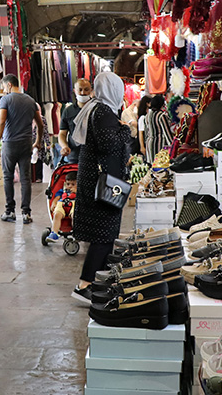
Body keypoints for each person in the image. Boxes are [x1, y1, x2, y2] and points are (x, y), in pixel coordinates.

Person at [69, 71, 131, 305]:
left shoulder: (96, 108)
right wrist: (127, 129)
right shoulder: (104, 112)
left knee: (105, 234)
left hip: (96, 180)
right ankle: (84, 284)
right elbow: (107, 144)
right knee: (103, 235)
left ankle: (99, 282)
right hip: (102, 182)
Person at [0, 75, 44, 224]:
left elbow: (1, 122)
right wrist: (37, 142)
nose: (4, 90)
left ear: (9, 85)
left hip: (10, 144)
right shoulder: (30, 101)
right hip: (26, 143)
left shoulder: (6, 100)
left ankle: (9, 211)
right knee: (25, 178)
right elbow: (40, 125)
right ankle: (26, 213)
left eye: (4, 87)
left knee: (8, 177)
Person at [58, 78, 93, 164]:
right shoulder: (68, 111)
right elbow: (62, 133)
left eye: (86, 89)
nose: (83, 93)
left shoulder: (96, 109)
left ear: (91, 90)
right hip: (74, 156)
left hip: (93, 156)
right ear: (74, 90)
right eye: (80, 89)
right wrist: (64, 147)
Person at [46, 171, 77, 243]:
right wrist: (54, 202)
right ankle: (54, 233)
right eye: (68, 184)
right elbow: (57, 197)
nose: (70, 186)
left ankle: (76, 232)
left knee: (75, 216)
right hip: (62, 204)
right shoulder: (62, 190)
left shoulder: (79, 191)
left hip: (74, 203)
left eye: (73, 184)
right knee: (57, 215)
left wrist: (76, 191)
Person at [145, 94, 173, 164]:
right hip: (159, 144)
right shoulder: (161, 116)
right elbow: (166, 132)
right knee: (159, 166)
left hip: (149, 143)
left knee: (151, 165)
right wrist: (172, 145)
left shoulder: (148, 115)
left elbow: (146, 131)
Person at [137, 95, 151, 160]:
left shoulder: (148, 116)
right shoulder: (143, 118)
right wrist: (142, 147)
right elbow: (141, 133)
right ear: (147, 104)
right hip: (146, 143)